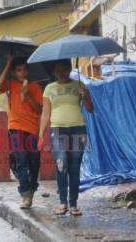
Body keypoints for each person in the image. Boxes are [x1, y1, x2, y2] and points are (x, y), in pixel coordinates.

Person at [38, 60, 94, 216]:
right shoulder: (49, 88)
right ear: (54, 72)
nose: (61, 73)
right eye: (58, 70)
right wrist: (41, 135)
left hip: (78, 129)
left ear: (70, 69)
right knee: (61, 164)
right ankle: (63, 202)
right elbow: (45, 113)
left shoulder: (79, 85)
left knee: (75, 167)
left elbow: (91, 109)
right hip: (58, 130)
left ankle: (74, 204)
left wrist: (87, 96)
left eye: (64, 70)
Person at [0, 56, 43, 209]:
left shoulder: (35, 86)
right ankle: (25, 193)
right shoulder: (10, 85)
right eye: (18, 70)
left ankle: (31, 188)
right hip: (16, 127)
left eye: (24, 70)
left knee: (34, 162)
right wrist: (8, 63)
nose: (22, 73)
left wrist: (27, 93)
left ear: (27, 71)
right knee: (21, 160)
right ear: (14, 72)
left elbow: (39, 109)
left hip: (33, 129)